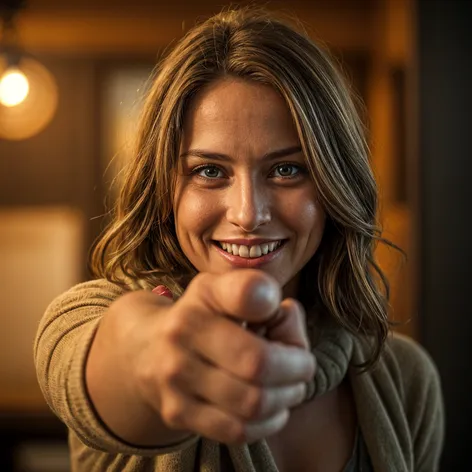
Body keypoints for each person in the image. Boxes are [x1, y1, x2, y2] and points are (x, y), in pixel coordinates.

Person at [34, 6, 444, 472]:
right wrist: (156, 355)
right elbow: (117, 360)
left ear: (335, 185)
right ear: (164, 191)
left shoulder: (405, 379)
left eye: (287, 170)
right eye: (209, 171)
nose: (248, 213)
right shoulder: (86, 319)